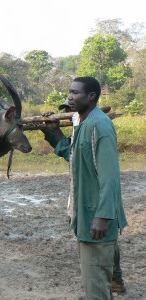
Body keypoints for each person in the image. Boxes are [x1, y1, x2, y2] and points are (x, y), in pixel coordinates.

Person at [41, 77, 127, 300]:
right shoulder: (83, 122)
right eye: (69, 92)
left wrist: (103, 215)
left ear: (91, 97)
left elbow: (110, 176)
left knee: (96, 280)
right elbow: (74, 156)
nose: (69, 97)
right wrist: (55, 133)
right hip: (85, 211)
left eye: (75, 93)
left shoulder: (99, 126)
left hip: (95, 215)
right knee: (95, 277)